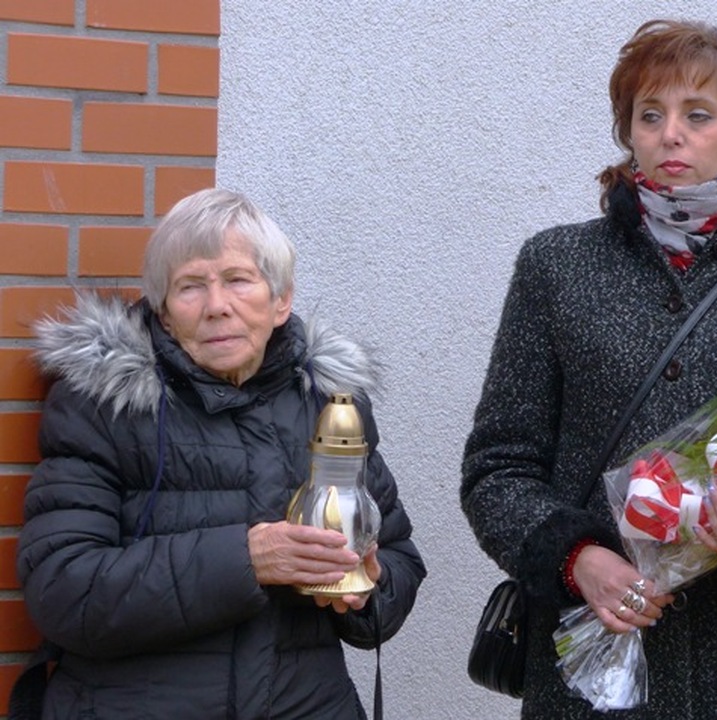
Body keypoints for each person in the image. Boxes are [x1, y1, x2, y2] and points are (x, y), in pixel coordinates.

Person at [461, 19, 717, 720]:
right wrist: (578, 559)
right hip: (593, 674)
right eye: (649, 115)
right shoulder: (556, 267)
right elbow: (498, 467)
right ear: (629, 133)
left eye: (698, 114)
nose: (670, 134)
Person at [16, 188, 426, 719]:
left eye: (237, 280)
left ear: (281, 300)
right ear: (164, 312)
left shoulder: (330, 403)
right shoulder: (103, 407)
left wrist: (363, 587)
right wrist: (246, 560)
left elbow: (398, 556)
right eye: (190, 286)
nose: (217, 306)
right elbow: (64, 589)